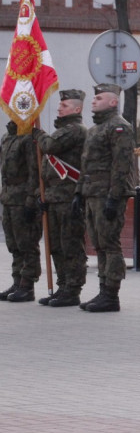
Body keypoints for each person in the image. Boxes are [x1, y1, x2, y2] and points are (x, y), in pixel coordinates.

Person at [75, 83, 136, 313]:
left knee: (110, 244)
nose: (94, 101)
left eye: (99, 98)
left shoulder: (119, 127)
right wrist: (79, 192)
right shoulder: (94, 130)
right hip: (93, 193)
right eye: (94, 97)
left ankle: (111, 293)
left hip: (108, 194)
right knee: (99, 244)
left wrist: (115, 197)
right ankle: (102, 290)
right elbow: (85, 164)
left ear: (113, 102)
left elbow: (122, 166)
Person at [33, 89, 88, 307]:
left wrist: (38, 134)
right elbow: (48, 165)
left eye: (64, 106)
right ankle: (62, 285)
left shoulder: (74, 130)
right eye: (60, 105)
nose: (59, 108)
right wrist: (42, 193)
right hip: (55, 197)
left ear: (76, 109)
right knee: (55, 245)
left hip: (68, 197)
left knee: (70, 245)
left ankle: (72, 289)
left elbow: (49, 146)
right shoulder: (62, 130)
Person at [0, 120, 42, 302]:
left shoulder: (29, 137)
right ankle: (17, 281)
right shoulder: (7, 137)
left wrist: (31, 200)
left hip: (23, 197)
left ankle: (27, 284)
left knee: (27, 243)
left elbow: (35, 172)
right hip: (9, 197)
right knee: (13, 243)